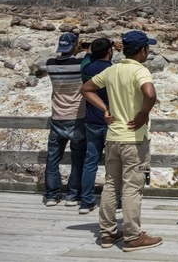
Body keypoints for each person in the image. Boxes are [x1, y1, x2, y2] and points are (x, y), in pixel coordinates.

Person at [81, 30, 162, 252]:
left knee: (110, 184)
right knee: (132, 188)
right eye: (148, 48)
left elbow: (86, 89)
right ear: (143, 50)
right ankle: (133, 236)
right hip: (134, 140)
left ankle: (107, 233)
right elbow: (150, 94)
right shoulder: (140, 70)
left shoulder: (112, 70)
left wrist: (105, 109)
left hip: (113, 137)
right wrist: (143, 114)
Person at [44, 32, 88, 207]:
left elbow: (65, 59)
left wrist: (76, 48)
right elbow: (90, 61)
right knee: (77, 159)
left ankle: (52, 195)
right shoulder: (80, 64)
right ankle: (72, 195)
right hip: (77, 116)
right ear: (75, 45)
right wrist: (84, 49)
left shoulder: (50, 65)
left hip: (57, 116)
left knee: (53, 158)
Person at [78, 38, 119, 214]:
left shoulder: (86, 69)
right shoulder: (113, 70)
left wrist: (88, 49)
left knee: (90, 162)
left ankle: (86, 201)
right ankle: (115, 202)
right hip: (112, 121)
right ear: (109, 52)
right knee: (115, 164)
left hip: (92, 120)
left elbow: (87, 58)